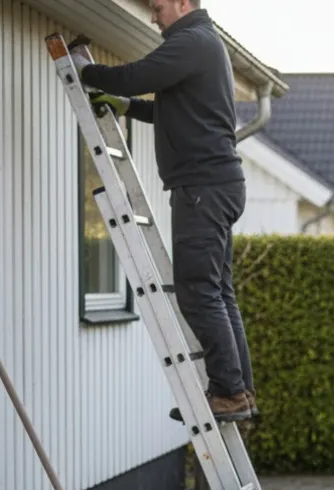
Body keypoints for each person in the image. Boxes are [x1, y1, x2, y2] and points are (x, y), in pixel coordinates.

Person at [72, 0, 256, 423]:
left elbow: (137, 76)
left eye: (157, 8)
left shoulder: (192, 41)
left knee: (198, 293)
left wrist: (84, 69)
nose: (154, 17)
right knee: (218, 294)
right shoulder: (204, 46)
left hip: (202, 190)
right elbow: (167, 110)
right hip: (218, 186)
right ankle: (239, 392)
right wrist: (126, 106)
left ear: (181, 2)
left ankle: (228, 393)